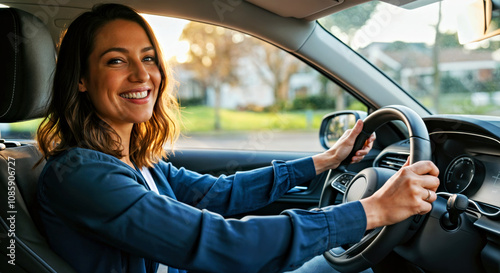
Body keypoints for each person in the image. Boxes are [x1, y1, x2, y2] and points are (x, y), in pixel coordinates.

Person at [35, 3, 439, 273]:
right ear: (82, 80)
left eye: (149, 58)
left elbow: (219, 194)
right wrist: (372, 211)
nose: (143, 76)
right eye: (116, 60)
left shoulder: (132, 160)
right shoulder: (80, 174)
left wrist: (324, 161)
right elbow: (222, 243)